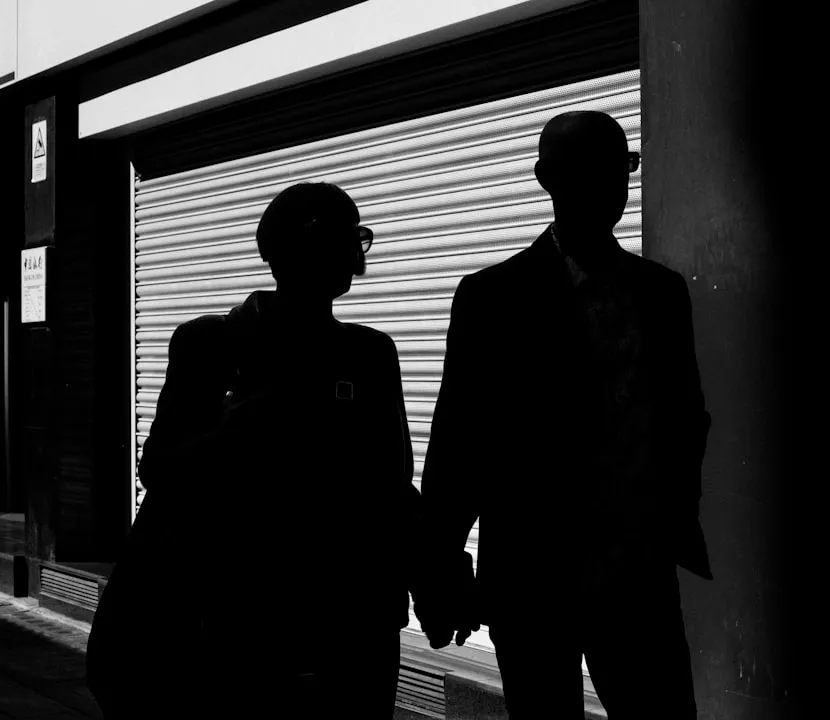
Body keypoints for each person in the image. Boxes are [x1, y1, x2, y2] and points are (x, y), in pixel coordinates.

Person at [416, 111, 712, 719]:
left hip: (637, 577)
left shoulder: (662, 294)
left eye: (621, 169)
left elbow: (685, 418)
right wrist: (440, 568)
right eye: (591, 170)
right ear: (546, 178)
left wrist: (671, 520)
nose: (611, 185)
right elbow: (460, 443)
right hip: (533, 579)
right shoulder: (492, 298)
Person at [88, 182, 418, 719]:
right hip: (231, 623)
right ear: (287, 250)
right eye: (340, 236)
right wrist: (237, 428)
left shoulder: (370, 354)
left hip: (351, 625)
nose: (354, 251)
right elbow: (160, 467)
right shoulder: (209, 345)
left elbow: (390, 484)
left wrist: (427, 567)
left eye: (356, 234)